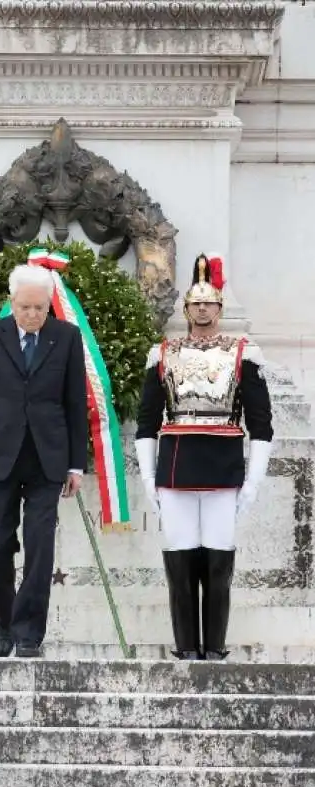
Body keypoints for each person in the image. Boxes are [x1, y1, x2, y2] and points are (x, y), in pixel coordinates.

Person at [135, 253, 273, 660]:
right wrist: (148, 477)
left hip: (222, 468)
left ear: (220, 307)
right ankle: (185, 648)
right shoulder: (163, 354)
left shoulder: (244, 354)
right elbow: (147, 422)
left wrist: (253, 481)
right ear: (186, 308)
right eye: (195, 303)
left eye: (208, 302)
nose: (201, 308)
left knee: (217, 561)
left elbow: (261, 425)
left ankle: (214, 648)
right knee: (180, 560)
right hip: (177, 467)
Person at [0, 262, 88, 658]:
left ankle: (30, 630)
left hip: (48, 458)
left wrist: (75, 464)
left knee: (40, 543)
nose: (33, 316)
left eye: (40, 308)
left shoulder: (66, 338)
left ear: (50, 306)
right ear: (11, 303)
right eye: (25, 307)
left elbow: (74, 402)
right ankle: (3, 618)